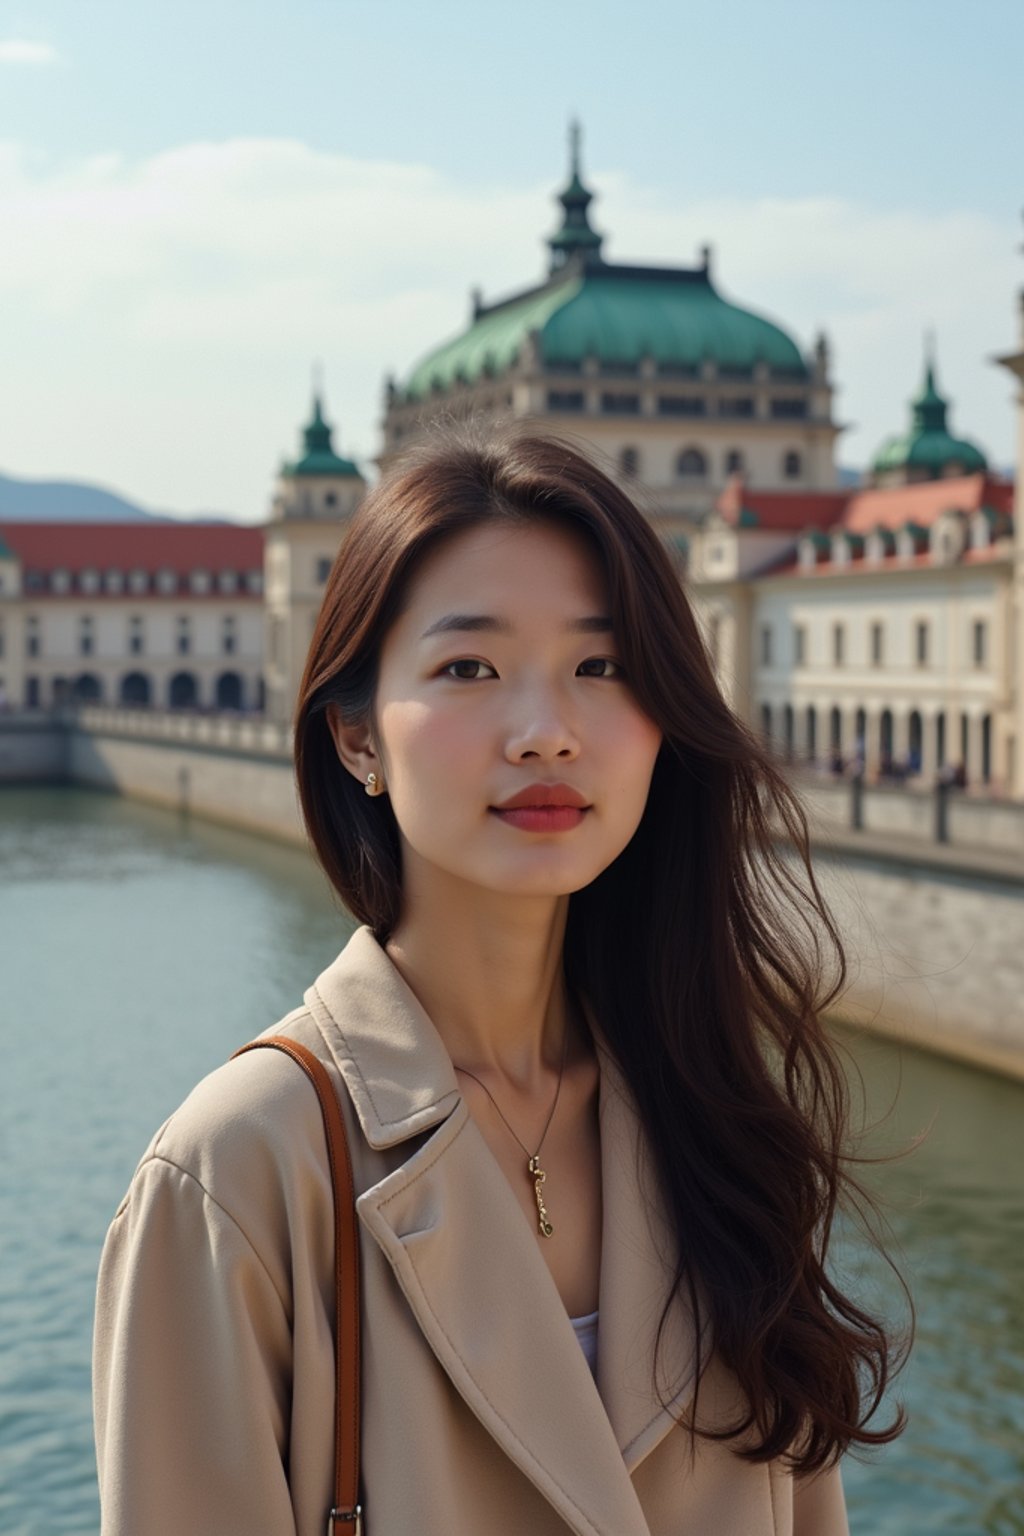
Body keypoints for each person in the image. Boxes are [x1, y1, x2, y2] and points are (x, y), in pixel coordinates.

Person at [93, 427, 906, 1535]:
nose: (546, 732)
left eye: (601, 666)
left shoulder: (714, 1115)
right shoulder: (237, 1175)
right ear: (354, 738)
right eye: (468, 668)